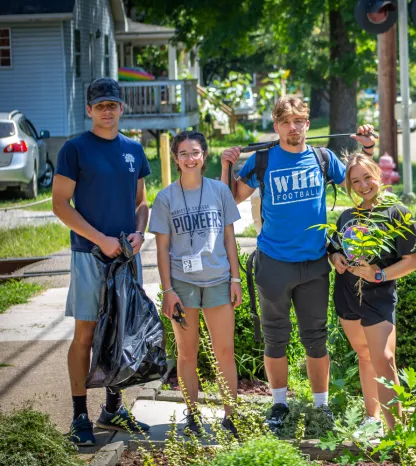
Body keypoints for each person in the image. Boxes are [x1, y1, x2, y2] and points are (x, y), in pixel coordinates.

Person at [220, 96, 374, 432]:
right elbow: (230, 198)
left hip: (314, 263)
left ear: (307, 124)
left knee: (316, 338)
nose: (294, 128)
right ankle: (279, 405)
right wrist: (227, 165)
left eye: (300, 121)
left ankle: (321, 408)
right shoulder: (262, 161)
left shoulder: (323, 158)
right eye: (287, 122)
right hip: (273, 263)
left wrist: (368, 148)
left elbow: (361, 186)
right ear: (276, 127)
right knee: (275, 339)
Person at [53, 78, 151, 445]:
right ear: (89, 110)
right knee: (86, 335)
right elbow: (60, 204)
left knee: (122, 332)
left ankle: (113, 407)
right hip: (89, 255)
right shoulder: (74, 149)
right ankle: (80, 415)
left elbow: (141, 203)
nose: (107, 111)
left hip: (125, 257)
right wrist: (101, 240)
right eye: (100, 105)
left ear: (121, 108)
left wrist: (139, 234)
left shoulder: (134, 150)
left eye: (113, 104)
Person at [149, 131, 243, 436]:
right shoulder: (165, 198)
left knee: (224, 352)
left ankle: (231, 416)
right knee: (187, 353)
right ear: (176, 159)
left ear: (204, 156)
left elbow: (229, 237)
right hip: (182, 284)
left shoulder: (219, 191)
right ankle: (192, 414)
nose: (190, 159)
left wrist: (236, 278)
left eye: (195, 152)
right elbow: (162, 248)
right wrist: (167, 291)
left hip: (217, 280)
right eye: (183, 154)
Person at [328, 151, 416, 436]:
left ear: (378, 176)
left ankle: (397, 430)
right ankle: (373, 420)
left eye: (367, 177)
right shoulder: (347, 215)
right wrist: (336, 260)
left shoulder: (397, 213)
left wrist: (378, 274)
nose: (363, 185)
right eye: (355, 181)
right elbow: (334, 248)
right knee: (364, 355)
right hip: (347, 295)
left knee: (384, 357)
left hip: (378, 296)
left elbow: (412, 262)